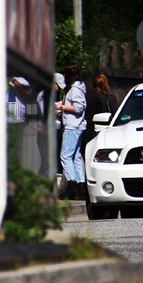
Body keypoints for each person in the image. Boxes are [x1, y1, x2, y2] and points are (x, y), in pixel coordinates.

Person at [56, 63, 87, 200]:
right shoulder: (78, 88)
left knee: (66, 156)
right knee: (76, 156)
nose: (63, 76)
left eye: (65, 74)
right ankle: (80, 185)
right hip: (77, 126)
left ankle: (71, 184)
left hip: (73, 127)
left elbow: (79, 108)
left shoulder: (75, 90)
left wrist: (62, 107)